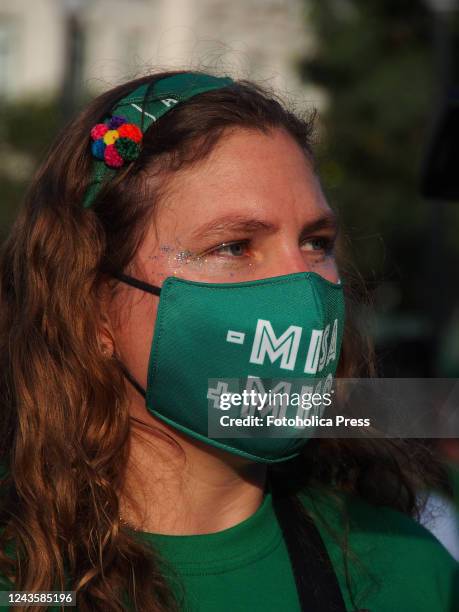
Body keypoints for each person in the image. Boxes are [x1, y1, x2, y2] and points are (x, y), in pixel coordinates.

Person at [0, 70, 457, 612]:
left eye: (316, 242)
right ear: (94, 306)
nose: (305, 289)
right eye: (234, 247)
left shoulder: (408, 573)